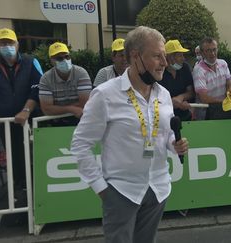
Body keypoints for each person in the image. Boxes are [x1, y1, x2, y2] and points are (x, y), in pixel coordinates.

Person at [71, 26, 189, 243]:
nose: (165, 62)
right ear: (135, 56)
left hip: (158, 188)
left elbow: (163, 135)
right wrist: (102, 189)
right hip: (121, 191)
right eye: (157, 56)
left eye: (164, 56)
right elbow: (80, 144)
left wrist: (174, 144)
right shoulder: (105, 94)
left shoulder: (163, 94)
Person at [0, 28, 42, 191]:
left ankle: (32, 187)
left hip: (27, 120)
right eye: (2, 43)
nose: (6, 46)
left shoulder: (31, 62)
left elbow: (38, 88)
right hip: (4, 122)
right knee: (11, 156)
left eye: (9, 43)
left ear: (17, 44)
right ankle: (17, 189)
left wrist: (26, 110)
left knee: (30, 155)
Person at [38, 42, 92, 124]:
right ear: (52, 61)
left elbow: (85, 103)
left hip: (82, 120)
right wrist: (71, 109)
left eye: (67, 56)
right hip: (57, 123)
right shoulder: (46, 79)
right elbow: (46, 109)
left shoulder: (81, 73)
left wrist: (56, 108)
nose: (65, 60)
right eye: (59, 58)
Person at [192, 37, 231, 119]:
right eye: (208, 50)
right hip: (205, 114)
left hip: (222, 109)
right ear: (202, 53)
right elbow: (204, 98)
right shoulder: (198, 70)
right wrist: (225, 102)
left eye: (214, 49)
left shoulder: (223, 63)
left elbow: (229, 84)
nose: (212, 53)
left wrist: (230, 92)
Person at [158, 40, 194, 121]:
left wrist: (181, 97)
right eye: (180, 55)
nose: (183, 58)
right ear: (170, 57)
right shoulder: (159, 71)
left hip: (185, 116)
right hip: (164, 118)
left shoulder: (185, 68)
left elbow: (191, 92)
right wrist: (171, 102)